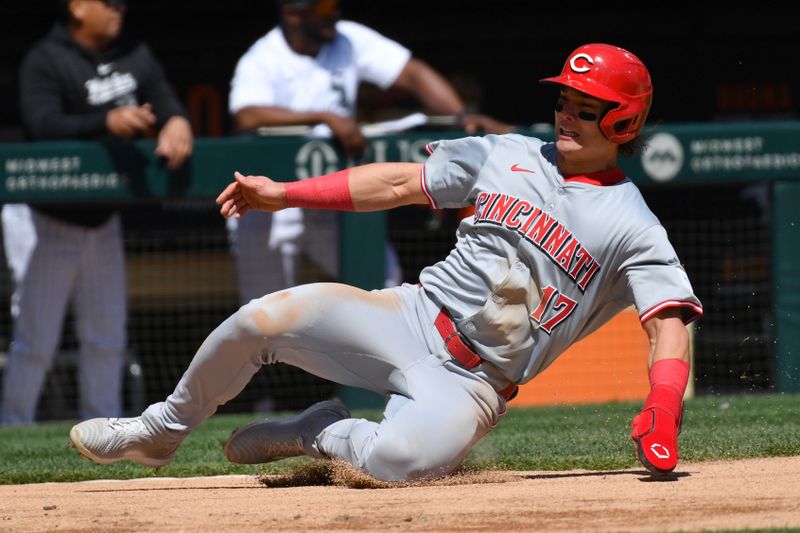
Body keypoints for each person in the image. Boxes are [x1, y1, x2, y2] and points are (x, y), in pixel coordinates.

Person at [68, 43, 702, 480]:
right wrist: (284, 194)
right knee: (262, 318)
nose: (566, 114)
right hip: (411, 315)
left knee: (396, 465)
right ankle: (159, 431)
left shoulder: (634, 225)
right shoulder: (506, 153)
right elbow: (399, 183)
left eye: (585, 107)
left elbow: (667, 322)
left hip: (474, 383)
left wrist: (664, 405)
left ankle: (317, 432)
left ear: (622, 120)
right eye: (564, 99)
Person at [226, 0, 514, 303]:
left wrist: (460, 115)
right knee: (264, 312)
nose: (334, 14)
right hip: (267, 200)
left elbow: (412, 74)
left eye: (335, 5)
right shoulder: (262, 57)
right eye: (323, 8)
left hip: (325, 195)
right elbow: (246, 115)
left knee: (384, 283)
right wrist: (324, 116)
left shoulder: (348, 39)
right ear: (293, 14)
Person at [0, 0, 193, 424]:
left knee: (106, 338)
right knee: (35, 342)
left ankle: (100, 432)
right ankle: (12, 429)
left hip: (104, 221)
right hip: (48, 221)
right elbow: (42, 124)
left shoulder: (133, 52)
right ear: (77, 6)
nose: (119, 9)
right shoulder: (45, 58)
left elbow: (164, 97)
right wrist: (105, 121)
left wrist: (177, 120)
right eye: (108, 3)